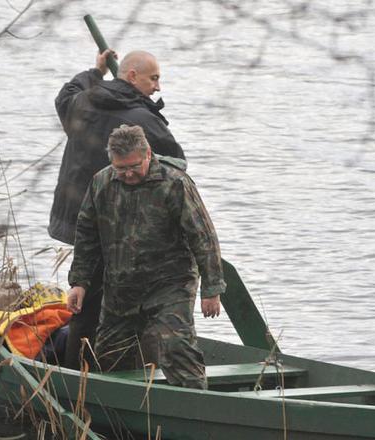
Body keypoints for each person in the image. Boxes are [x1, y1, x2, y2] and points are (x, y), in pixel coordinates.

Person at [49, 49, 186, 369]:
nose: (158, 87)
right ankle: (114, 373)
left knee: (87, 298)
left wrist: (94, 72)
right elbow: (177, 165)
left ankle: (77, 373)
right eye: (154, 78)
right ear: (132, 76)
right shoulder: (144, 119)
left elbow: (65, 95)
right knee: (119, 300)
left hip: (75, 222)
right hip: (118, 228)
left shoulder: (83, 102)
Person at [67, 125, 225, 389]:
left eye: (134, 166)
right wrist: (79, 282)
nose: (128, 173)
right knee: (108, 358)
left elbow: (204, 237)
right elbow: (86, 237)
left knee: (176, 348)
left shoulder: (174, 183)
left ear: (148, 154)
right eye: (120, 168)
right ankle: (122, 420)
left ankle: (198, 409)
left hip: (170, 287)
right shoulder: (101, 183)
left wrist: (212, 289)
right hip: (121, 290)